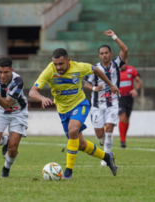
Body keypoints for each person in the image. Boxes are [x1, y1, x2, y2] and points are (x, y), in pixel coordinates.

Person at [29, 46, 119, 180]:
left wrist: (110, 84)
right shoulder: (49, 70)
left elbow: (95, 69)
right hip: (63, 110)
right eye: (55, 64)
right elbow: (32, 92)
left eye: (61, 64)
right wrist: (41, 98)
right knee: (80, 144)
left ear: (68, 61)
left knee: (73, 131)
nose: (58, 67)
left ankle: (68, 172)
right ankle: (107, 157)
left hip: (80, 104)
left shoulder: (79, 67)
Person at [84, 30, 128, 166]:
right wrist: (93, 89)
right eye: (102, 53)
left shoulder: (116, 64)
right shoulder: (95, 68)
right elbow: (86, 84)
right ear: (99, 55)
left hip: (113, 103)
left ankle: (106, 156)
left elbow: (125, 49)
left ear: (110, 54)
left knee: (109, 129)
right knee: (99, 134)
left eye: (106, 53)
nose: (104, 55)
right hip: (97, 105)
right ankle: (101, 138)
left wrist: (114, 36)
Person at [0, 57, 28, 178]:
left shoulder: (18, 81)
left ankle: (6, 169)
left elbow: (7, 104)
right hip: (0, 111)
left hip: (18, 112)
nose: (2, 75)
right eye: (0, 72)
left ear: (11, 70)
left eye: (6, 72)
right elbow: (2, 105)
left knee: (13, 148)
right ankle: (6, 140)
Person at [119, 60, 141, 148]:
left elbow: (139, 82)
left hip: (129, 98)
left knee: (127, 119)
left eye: (124, 63)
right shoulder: (115, 71)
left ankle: (124, 138)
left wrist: (135, 89)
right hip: (119, 97)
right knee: (122, 116)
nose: (123, 65)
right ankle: (122, 140)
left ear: (127, 62)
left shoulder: (131, 70)